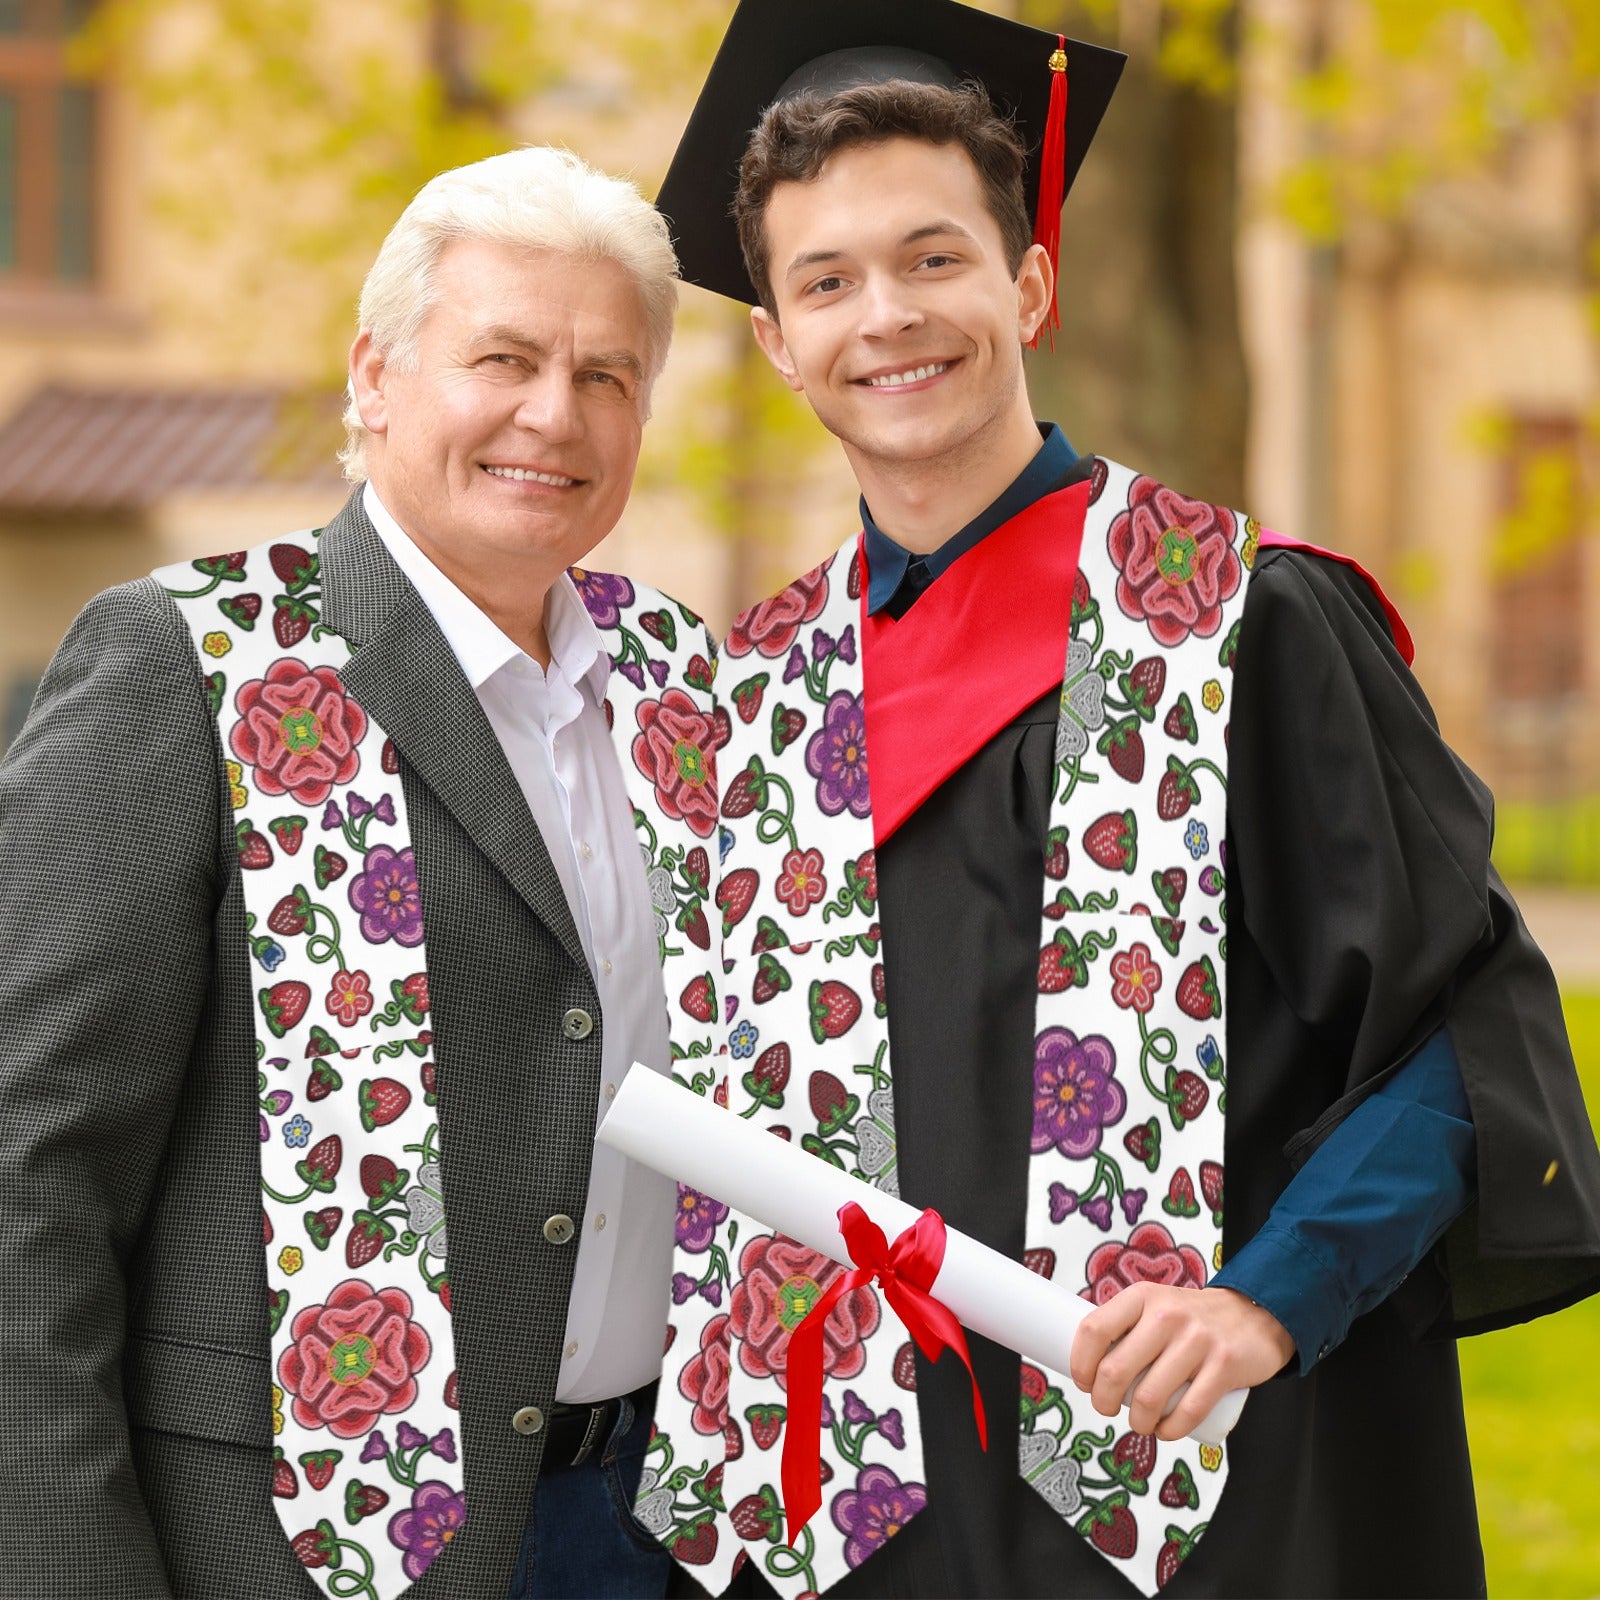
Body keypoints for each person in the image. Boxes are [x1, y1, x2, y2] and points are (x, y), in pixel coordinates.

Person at [636, 3, 1600, 1597]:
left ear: (1029, 282)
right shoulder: (747, 699)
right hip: (863, 1523)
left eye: (934, 258)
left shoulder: (1246, 624)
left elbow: (1461, 1034)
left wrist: (1269, 1299)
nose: (887, 316)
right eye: (827, 281)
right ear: (778, 341)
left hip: (1211, 1489)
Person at [0, 146, 728, 1600]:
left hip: (654, 1529)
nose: (553, 413)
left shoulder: (687, 693)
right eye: (504, 357)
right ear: (376, 376)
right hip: (292, 1548)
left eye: (606, 375)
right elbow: (31, 1173)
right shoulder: (194, 662)